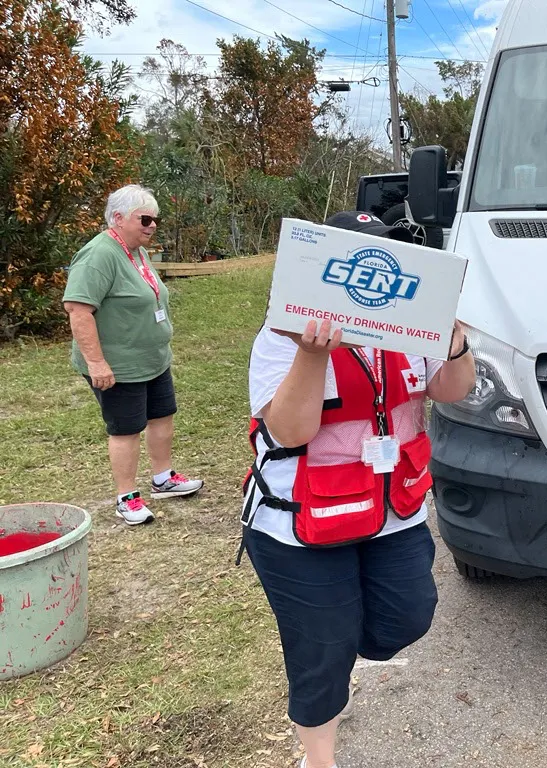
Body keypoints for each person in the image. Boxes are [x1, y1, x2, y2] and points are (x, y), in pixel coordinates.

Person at [239, 211, 477, 768]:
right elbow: (291, 431)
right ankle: (318, 756)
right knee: (321, 648)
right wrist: (312, 353)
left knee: (408, 617)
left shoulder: (411, 328)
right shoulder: (284, 337)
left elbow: (453, 390)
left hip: (391, 511)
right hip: (301, 522)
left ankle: (346, 644)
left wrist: (457, 343)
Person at [62, 184, 204, 525]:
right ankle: (126, 497)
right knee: (125, 429)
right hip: (119, 366)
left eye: (155, 219)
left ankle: (163, 478)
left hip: (152, 359)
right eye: (145, 218)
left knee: (162, 415)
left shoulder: (136, 249)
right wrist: (97, 362)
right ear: (118, 218)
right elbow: (78, 310)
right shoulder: (99, 254)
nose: (152, 225)